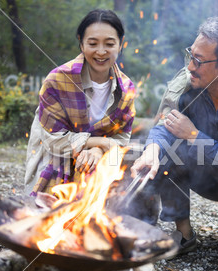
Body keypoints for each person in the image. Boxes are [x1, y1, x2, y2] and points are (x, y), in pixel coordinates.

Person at [131, 16, 218, 254]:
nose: (190, 67)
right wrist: (151, 150)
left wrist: (194, 135)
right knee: (164, 156)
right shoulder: (190, 89)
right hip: (204, 173)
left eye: (199, 61)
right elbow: (165, 127)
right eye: (190, 55)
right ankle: (185, 234)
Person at [25, 9, 136, 196]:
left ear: (121, 44)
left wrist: (98, 151)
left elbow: (122, 139)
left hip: (98, 166)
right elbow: (54, 140)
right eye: (93, 43)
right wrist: (100, 142)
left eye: (109, 44)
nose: (101, 52)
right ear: (81, 43)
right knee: (49, 219)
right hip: (54, 160)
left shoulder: (126, 89)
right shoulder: (57, 80)